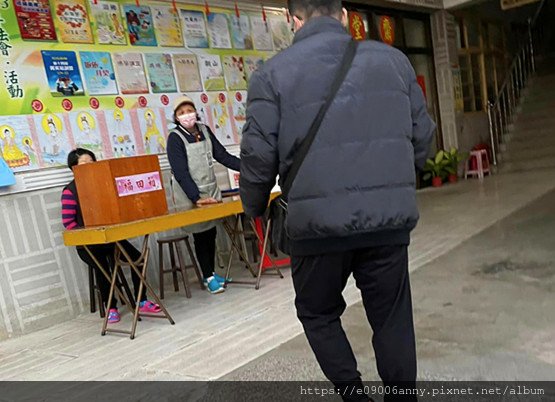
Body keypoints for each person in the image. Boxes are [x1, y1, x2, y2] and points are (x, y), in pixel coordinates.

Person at [239, 0, 435, 400]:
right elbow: (424, 141)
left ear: (293, 21)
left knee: (317, 312)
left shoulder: (271, 75)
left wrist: (254, 206)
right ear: (345, 15)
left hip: (316, 226)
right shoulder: (394, 62)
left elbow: (257, 159)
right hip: (387, 224)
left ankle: (354, 395)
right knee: (392, 319)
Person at [61, 148, 162, 324]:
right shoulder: (70, 191)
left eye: (92, 162)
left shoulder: (103, 184)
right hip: (89, 244)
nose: (89, 166)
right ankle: (111, 307)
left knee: (137, 258)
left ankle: (141, 301)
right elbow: (68, 223)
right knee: (103, 269)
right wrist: (90, 234)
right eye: (84, 164)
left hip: (111, 240)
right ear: (73, 168)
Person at [167, 96, 241, 295]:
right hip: (190, 194)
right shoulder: (175, 138)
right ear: (176, 117)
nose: (187, 115)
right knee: (200, 234)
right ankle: (208, 276)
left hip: (210, 188)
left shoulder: (204, 130)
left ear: (196, 112)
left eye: (189, 110)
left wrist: (246, 167)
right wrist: (196, 198)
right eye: (181, 113)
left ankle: (212, 272)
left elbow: (222, 155)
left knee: (211, 232)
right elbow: (180, 172)